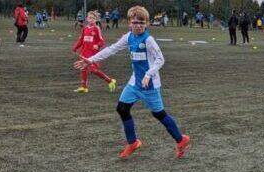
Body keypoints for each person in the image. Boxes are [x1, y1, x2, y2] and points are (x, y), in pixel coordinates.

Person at [74, 6, 191, 160]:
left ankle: (181, 140)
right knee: (122, 108)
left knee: (159, 114)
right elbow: (112, 49)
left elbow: (160, 59)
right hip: (135, 82)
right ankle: (133, 142)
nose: (138, 25)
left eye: (141, 22)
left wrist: (149, 74)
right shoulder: (128, 37)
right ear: (129, 23)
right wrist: (90, 60)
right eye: (135, 22)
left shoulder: (148, 40)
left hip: (149, 85)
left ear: (147, 24)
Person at [72, 11, 116, 94]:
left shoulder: (96, 28)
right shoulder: (85, 28)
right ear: (87, 19)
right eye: (89, 18)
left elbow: (102, 41)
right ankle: (84, 87)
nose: (91, 19)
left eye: (93, 18)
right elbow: (81, 40)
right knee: (83, 68)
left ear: (96, 19)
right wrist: (75, 47)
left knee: (93, 70)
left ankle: (110, 81)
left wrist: (97, 45)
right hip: (84, 53)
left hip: (93, 54)